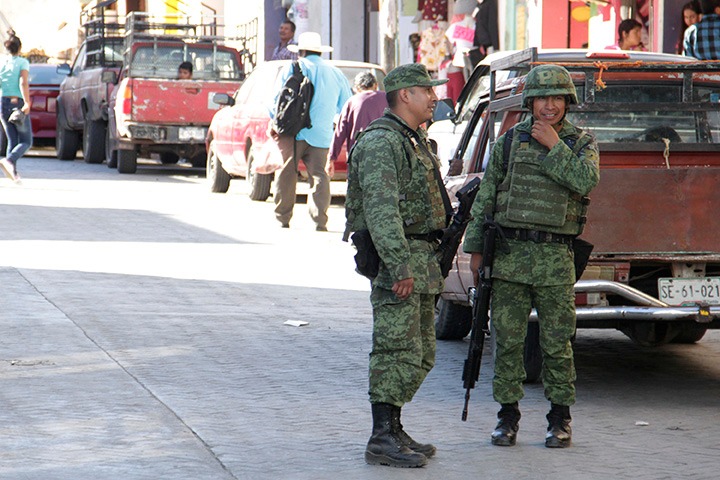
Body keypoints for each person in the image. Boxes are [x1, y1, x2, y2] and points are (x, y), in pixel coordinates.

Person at [463, 64, 600, 449]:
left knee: (557, 343)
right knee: (507, 341)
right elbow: (486, 196)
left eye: (557, 98)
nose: (550, 106)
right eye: (543, 98)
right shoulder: (508, 142)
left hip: (556, 260)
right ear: (530, 101)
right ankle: (507, 417)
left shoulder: (581, 142)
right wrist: (474, 249)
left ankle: (560, 418)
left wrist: (553, 144)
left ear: (567, 102)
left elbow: (586, 181)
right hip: (509, 256)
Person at [345, 63, 449, 468]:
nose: (435, 97)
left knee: (419, 353)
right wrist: (398, 266)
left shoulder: (413, 139)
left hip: (420, 258)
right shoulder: (382, 142)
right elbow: (381, 211)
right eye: (428, 90)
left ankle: (394, 426)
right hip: (399, 260)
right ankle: (380, 436)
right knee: (394, 350)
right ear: (405, 95)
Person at [269, 32, 351, 231]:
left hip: (292, 131)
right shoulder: (335, 73)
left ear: (301, 51)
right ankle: (319, 220)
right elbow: (346, 105)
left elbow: (275, 102)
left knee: (287, 172)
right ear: (320, 51)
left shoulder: (292, 67)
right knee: (319, 176)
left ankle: (283, 218)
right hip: (322, 134)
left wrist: (275, 122)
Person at [327, 71, 388, 176]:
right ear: (376, 85)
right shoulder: (389, 99)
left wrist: (331, 158)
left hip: (359, 155)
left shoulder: (352, 102)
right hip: (386, 154)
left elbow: (340, 132)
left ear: (356, 89)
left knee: (357, 189)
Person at [0, 30, 32, 184]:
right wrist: (27, 102)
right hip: (16, 103)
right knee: (26, 141)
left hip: (3, 102)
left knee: (12, 139)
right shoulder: (22, 62)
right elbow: (23, 82)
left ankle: (13, 173)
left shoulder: (2, 63)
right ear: (19, 48)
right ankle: (10, 161)